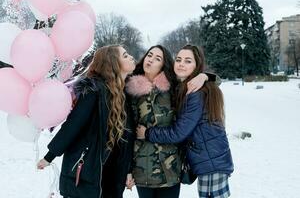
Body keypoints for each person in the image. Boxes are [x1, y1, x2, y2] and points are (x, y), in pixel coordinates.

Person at [37, 45, 136, 198]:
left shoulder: (124, 93)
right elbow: (74, 124)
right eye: (125, 55)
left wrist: (128, 170)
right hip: (92, 168)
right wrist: (50, 155)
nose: (130, 57)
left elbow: (127, 138)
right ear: (113, 63)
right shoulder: (94, 90)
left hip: (115, 171)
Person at [136, 45, 234, 198]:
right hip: (209, 159)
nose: (181, 64)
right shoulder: (185, 86)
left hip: (211, 161)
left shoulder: (195, 92)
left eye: (188, 61)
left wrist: (147, 133)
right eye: (179, 59)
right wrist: (205, 76)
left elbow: (179, 133)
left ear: (197, 66)